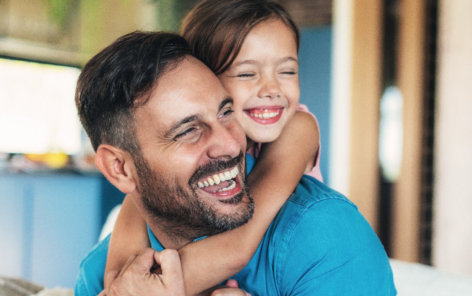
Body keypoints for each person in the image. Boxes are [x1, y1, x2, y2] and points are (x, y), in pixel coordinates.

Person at [74, 31, 396, 296]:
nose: (231, 144)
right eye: (188, 131)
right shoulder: (104, 278)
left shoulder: (322, 237)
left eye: (226, 112)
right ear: (120, 168)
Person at [104, 1, 323, 294]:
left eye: (287, 71)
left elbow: (237, 245)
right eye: (247, 74)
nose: (272, 89)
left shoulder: (299, 128)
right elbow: (119, 268)